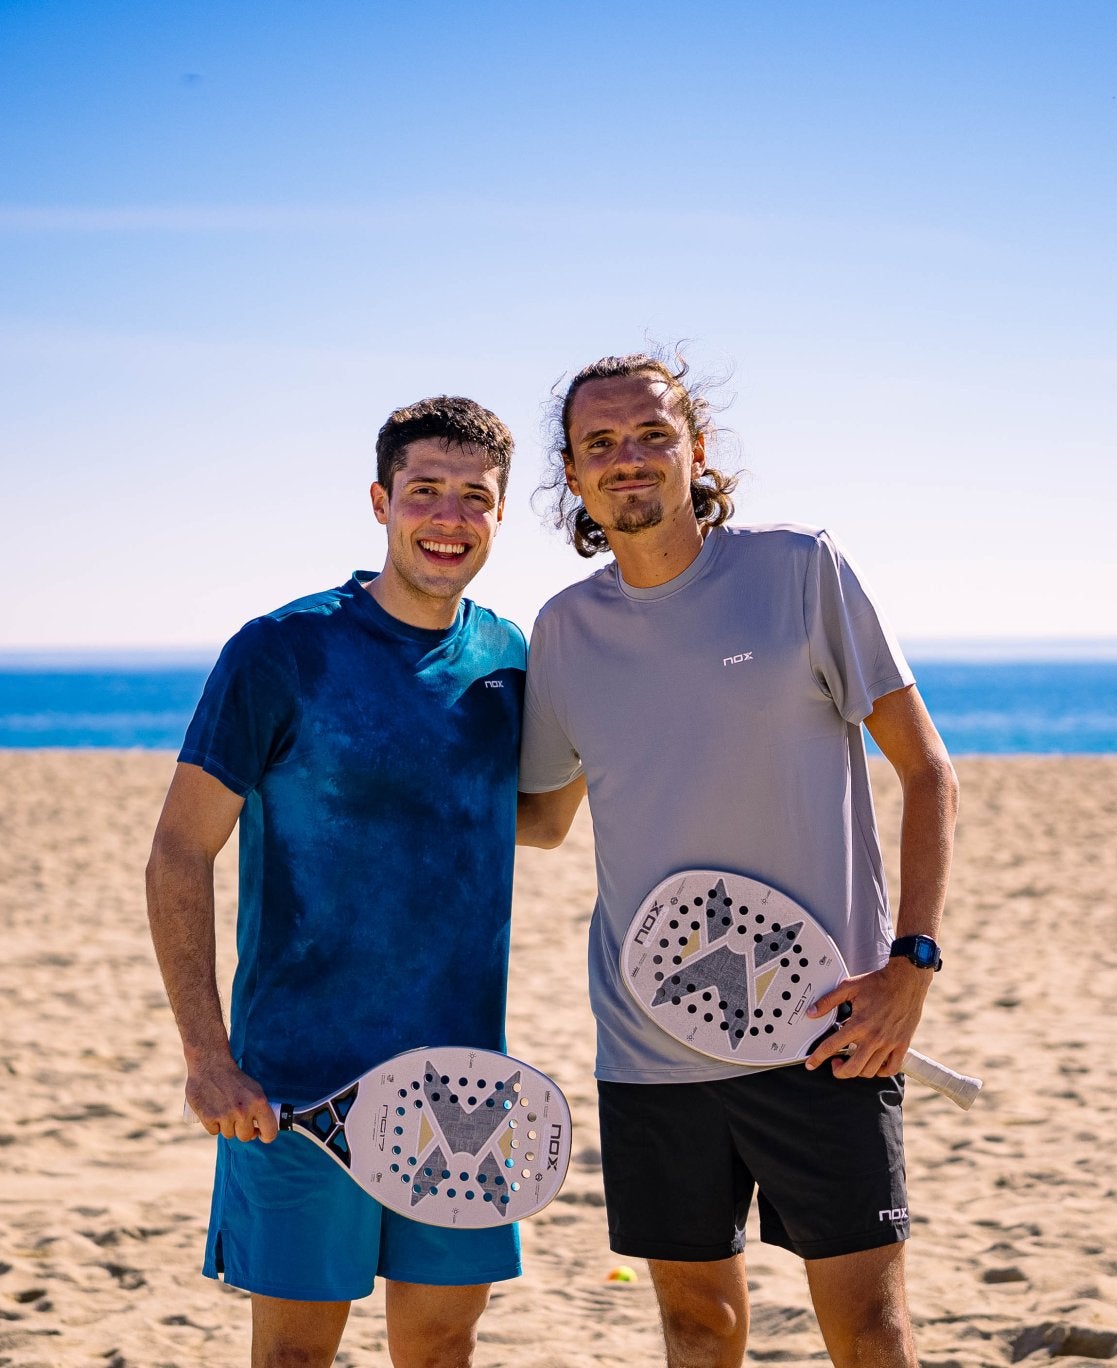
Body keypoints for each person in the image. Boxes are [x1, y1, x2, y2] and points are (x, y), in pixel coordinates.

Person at [516, 353, 958, 1368]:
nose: (627, 459)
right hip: (646, 1043)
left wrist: (911, 966)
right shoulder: (563, 631)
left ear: (695, 449)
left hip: (824, 1031)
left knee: (870, 1328)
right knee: (695, 1328)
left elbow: (926, 771)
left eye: (650, 435)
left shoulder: (800, 569)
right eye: (600, 445)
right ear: (573, 477)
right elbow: (540, 821)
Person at [146, 396, 528, 1368]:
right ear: (379, 501)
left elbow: (545, 817)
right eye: (424, 493)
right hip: (296, 1086)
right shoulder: (282, 651)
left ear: (499, 513)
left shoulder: (511, 661)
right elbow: (180, 851)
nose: (448, 518)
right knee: (292, 1359)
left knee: (442, 1349)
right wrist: (206, 1055)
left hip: (462, 1090)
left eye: (472, 498)